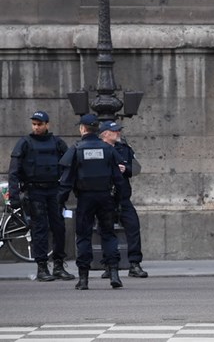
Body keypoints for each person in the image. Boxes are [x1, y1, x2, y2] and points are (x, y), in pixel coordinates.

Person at [57, 114, 125, 290]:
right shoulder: (108, 149)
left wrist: (60, 201)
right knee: (108, 234)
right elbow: (118, 178)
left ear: (82, 129)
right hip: (105, 197)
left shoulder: (76, 149)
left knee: (84, 236)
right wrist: (119, 200)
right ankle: (114, 273)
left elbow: (66, 180)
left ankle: (84, 278)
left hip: (85, 198)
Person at [7, 111, 75, 281]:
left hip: (54, 191)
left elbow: (69, 167)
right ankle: (42, 268)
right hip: (34, 191)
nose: (36, 127)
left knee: (59, 228)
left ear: (47, 125)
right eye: (34, 124)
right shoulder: (24, 143)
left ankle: (58, 265)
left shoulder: (57, 142)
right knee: (40, 229)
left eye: (39, 124)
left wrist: (64, 190)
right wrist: (14, 197)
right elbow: (14, 172)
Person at [98, 120, 148, 278]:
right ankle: (109, 265)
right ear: (105, 134)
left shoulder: (125, 149)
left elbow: (137, 169)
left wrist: (125, 169)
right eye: (115, 131)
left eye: (118, 130)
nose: (118, 133)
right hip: (105, 198)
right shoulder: (97, 149)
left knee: (133, 228)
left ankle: (134, 264)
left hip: (123, 198)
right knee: (105, 231)